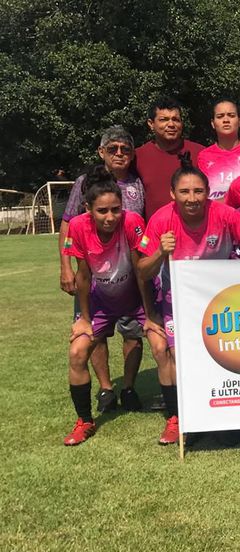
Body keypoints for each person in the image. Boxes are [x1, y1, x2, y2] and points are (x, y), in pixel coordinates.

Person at [137, 156, 240, 445]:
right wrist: (161, 253)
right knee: (171, 354)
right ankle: (177, 418)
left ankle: (226, 415)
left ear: (207, 192)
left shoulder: (225, 214)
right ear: (173, 193)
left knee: (224, 356)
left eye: (198, 191)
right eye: (184, 192)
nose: (192, 198)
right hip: (177, 302)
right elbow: (142, 270)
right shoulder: (161, 219)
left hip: (220, 304)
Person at [61, 167, 165, 445]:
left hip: (135, 296)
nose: (110, 217)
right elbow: (83, 276)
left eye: (115, 209)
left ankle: (175, 417)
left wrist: (150, 315)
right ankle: (85, 421)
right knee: (77, 351)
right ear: (88, 209)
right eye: (102, 211)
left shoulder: (132, 222)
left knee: (161, 345)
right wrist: (84, 318)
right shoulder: (78, 226)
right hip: (100, 301)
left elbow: (141, 271)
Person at [58, 125, 146, 413]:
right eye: (113, 149)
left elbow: (136, 226)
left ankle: (129, 387)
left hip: (129, 274)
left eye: (125, 149)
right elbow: (69, 224)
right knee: (95, 334)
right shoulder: (85, 182)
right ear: (102, 152)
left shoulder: (136, 182)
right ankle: (107, 388)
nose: (120, 154)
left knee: (132, 333)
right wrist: (65, 266)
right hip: (94, 275)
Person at [135, 97, 206, 219]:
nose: (171, 124)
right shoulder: (137, 156)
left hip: (196, 232)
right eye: (164, 120)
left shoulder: (200, 153)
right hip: (155, 233)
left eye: (176, 119)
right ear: (151, 124)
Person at [196, 98, 240, 202]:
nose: (226, 120)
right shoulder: (204, 156)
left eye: (231, 115)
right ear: (213, 123)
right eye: (220, 116)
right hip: (216, 216)